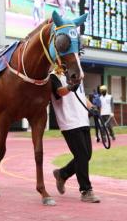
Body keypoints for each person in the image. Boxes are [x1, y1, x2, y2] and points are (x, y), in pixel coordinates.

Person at [50, 70, 100, 203]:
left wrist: (92, 107)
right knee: (82, 155)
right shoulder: (53, 76)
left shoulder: (77, 73)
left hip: (82, 119)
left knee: (86, 155)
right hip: (69, 121)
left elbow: (81, 95)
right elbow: (59, 92)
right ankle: (86, 190)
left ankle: (62, 174)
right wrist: (70, 86)